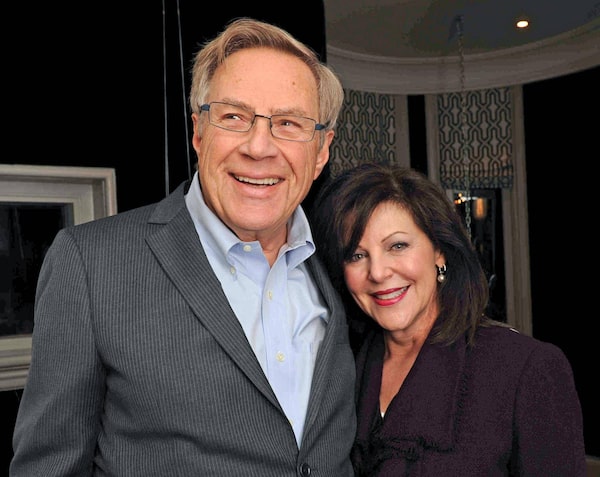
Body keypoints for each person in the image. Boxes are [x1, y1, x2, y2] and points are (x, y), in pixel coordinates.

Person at [10, 18, 356, 476]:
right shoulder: (91, 265)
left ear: (321, 151)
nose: (259, 147)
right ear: (199, 131)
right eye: (233, 117)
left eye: (289, 123)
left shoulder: (344, 263)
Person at [310, 162, 587, 476]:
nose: (377, 272)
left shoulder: (526, 368)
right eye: (357, 255)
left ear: (439, 250)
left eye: (397, 246)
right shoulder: (340, 367)